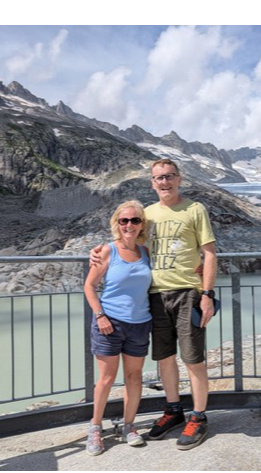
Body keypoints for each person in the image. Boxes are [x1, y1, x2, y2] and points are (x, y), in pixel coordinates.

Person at [90, 157, 217, 450]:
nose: (165, 182)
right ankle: (173, 410)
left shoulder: (195, 209)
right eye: (159, 177)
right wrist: (97, 251)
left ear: (179, 179)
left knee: (193, 357)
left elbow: (209, 253)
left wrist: (207, 293)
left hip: (188, 292)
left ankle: (199, 416)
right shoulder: (145, 214)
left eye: (170, 176)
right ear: (153, 182)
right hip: (155, 296)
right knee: (164, 357)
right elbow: (127, 239)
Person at [83, 200, 152, 455]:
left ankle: (129, 426)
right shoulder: (107, 251)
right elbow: (89, 286)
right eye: (124, 221)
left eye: (135, 220)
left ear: (141, 224)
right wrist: (100, 315)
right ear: (117, 224)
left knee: (134, 378)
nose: (129, 225)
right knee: (106, 379)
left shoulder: (145, 252)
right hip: (109, 323)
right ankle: (95, 428)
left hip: (140, 324)